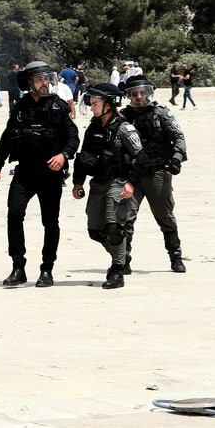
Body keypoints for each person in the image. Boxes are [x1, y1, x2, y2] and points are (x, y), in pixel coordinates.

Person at [0, 61, 79, 287]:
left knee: (50, 221)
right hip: (25, 173)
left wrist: (64, 155)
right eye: (39, 79)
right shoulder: (20, 107)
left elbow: (73, 137)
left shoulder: (59, 107)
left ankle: (47, 269)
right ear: (29, 82)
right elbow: (7, 138)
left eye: (47, 78)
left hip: (50, 174)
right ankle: (18, 267)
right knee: (14, 214)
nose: (45, 83)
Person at [71, 83, 143, 289]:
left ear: (110, 104)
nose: (92, 107)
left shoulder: (124, 128)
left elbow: (141, 157)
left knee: (114, 228)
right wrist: (78, 182)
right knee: (95, 230)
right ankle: (121, 254)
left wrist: (131, 183)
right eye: (91, 103)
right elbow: (83, 157)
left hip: (118, 182)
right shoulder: (93, 128)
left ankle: (117, 270)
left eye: (95, 103)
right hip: (98, 183)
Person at [120, 75, 188, 273]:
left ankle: (175, 256)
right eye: (134, 93)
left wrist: (176, 158)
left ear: (149, 93)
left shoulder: (162, 113)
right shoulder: (123, 117)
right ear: (128, 95)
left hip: (157, 172)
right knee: (125, 218)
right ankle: (123, 259)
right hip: (132, 176)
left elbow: (178, 136)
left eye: (142, 92)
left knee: (165, 216)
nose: (139, 97)